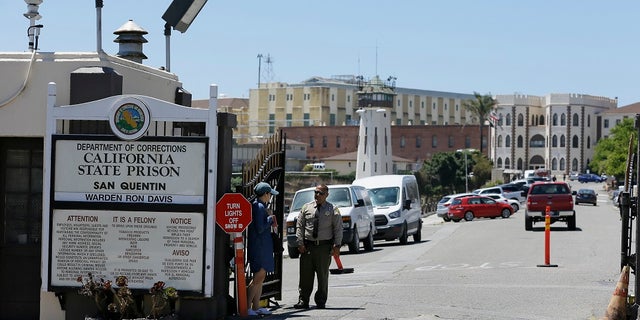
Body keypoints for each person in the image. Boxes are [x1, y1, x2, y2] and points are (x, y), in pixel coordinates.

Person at [294, 184, 342, 309]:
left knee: (322, 276)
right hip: (308, 247)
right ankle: (303, 300)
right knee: (305, 276)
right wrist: (300, 242)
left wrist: (337, 245)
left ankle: (321, 300)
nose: (317, 195)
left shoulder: (333, 209)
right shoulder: (306, 207)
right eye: (316, 192)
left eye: (321, 193)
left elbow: (338, 228)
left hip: (323, 248)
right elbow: (300, 226)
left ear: (327, 194)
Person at [246, 182, 279, 316]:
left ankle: (256, 306)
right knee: (258, 277)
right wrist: (270, 219)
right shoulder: (258, 207)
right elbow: (260, 228)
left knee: (261, 277)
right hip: (259, 247)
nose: (270, 196)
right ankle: (247, 307)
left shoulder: (260, 206)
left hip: (263, 246)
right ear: (265, 194)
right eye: (269, 193)